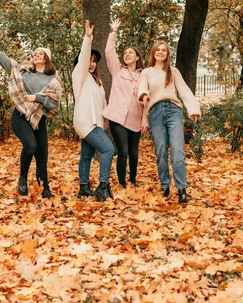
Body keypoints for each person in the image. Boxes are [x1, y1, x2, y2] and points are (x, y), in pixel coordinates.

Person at [0, 36, 62, 199]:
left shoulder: (53, 79)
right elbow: (7, 63)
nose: (36, 56)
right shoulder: (24, 71)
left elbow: (53, 102)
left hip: (39, 120)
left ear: (47, 59)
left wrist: (36, 98)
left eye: (40, 54)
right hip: (20, 116)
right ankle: (22, 178)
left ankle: (44, 189)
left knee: (42, 157)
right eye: (35, 54)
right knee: (30, 146)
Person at [138, 41, 201, 204]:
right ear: (153, 53)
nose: (160, 52)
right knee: (161, 151)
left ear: (167, 53)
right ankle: (165, 185)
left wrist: (193, 108)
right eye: (158, 50)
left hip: (173, 111)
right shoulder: (147, 72)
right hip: (155, 112)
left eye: (163, 50)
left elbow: (184, 90)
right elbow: (142, 87)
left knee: (178, 152)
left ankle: (181, 189)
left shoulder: (173, 71)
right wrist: (144, 95)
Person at [72, 20, 115, 201]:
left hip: (95, 122)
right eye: (88, 60)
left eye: (94, 61)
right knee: (108, 149)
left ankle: (83, 187)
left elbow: (103, 105)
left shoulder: (98, 82)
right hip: (86, 122)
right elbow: (82, 60)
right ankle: (103, 186)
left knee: (87, 155)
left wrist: (106, 122)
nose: (91, 64)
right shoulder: (79, 76)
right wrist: (87, 39)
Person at [102, 20, 148, 188]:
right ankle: (122, 183)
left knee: (134, 153)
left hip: (135, 120)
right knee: (123, 151)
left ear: (137, 57)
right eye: (125, 53)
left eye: (131, 53)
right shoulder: (117, 70)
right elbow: (109, 52)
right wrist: (113, 31)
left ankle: (133, 180)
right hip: (117, 118)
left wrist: (145, 120)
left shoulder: (144, 75)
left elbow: (145, 101)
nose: (127, 55)